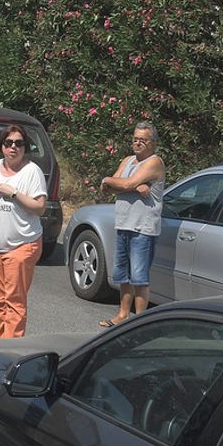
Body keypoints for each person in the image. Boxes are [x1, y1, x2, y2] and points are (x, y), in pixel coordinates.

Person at [0, 124, 48, 338]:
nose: (13, 147)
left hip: (23, 245)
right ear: (2, 146)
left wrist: (13, 193)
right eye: (9, 143)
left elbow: (40, 208)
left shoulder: (32, 172)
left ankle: (10, 349)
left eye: (19, 143)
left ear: (25, 147)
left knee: (14, 301)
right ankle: (0, 341)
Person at [98, 121, 166, 327]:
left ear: (152, 143)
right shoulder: (128, 160)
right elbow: (107, 187)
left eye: (142, 140)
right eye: (135, 139)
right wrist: (124, 184)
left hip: (142, 228)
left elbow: (122, 183)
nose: (137, 143)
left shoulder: (155, 163)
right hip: (124, 224)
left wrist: (117, 182)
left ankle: (138, 321)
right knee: (122, 275)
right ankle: (122, 314)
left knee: (139, 276)